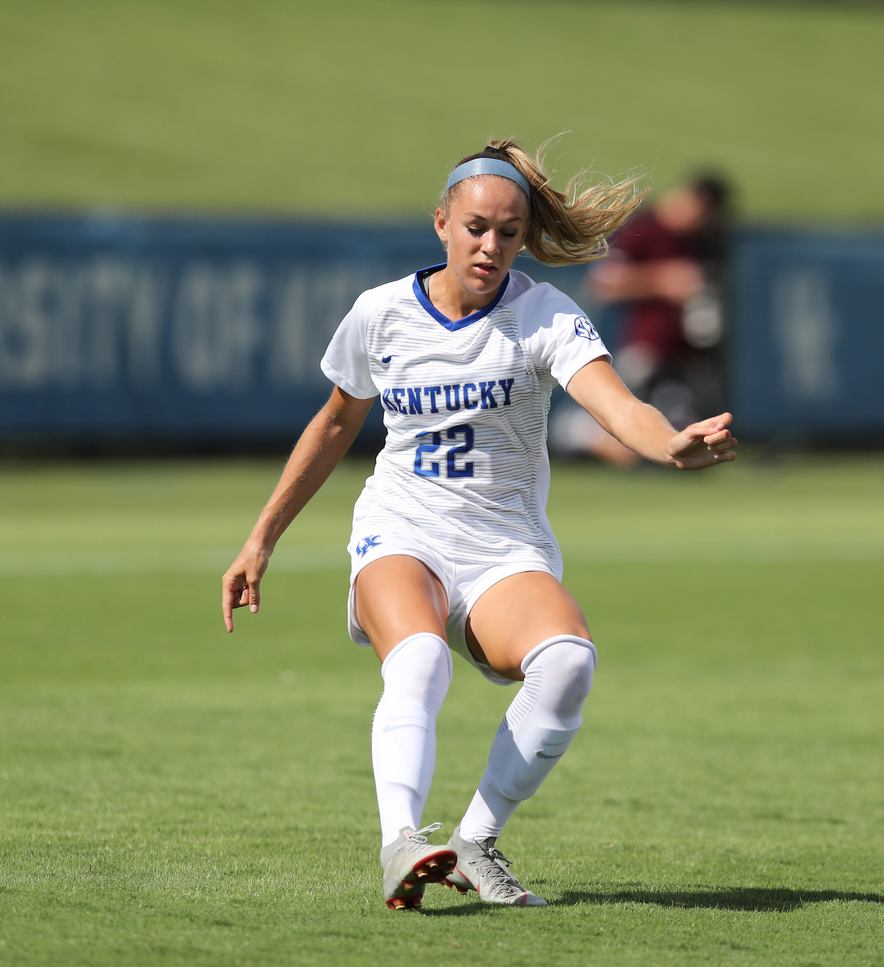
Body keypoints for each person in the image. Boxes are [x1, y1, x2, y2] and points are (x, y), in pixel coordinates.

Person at [220, 140, 737, 910]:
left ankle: (473, 840)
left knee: (567, 666)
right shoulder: (381, 313)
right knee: (421, 658)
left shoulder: (542, 315)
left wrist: (666, 441)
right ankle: (401, 843)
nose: (489, 245)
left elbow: (618, 404)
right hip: (402, 527)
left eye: (508, 230)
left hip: (503, 545)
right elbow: (333, 426)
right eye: (474, 227)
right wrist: (260, 537)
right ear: (440, 224)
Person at [558, 175, 731, 465]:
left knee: (687, 432)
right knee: (634, 427)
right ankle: (576, 435)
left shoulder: (700, 242)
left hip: (683, 359)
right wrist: (662, 280)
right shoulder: (646, 229)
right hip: (643, 353)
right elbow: (604, 284)